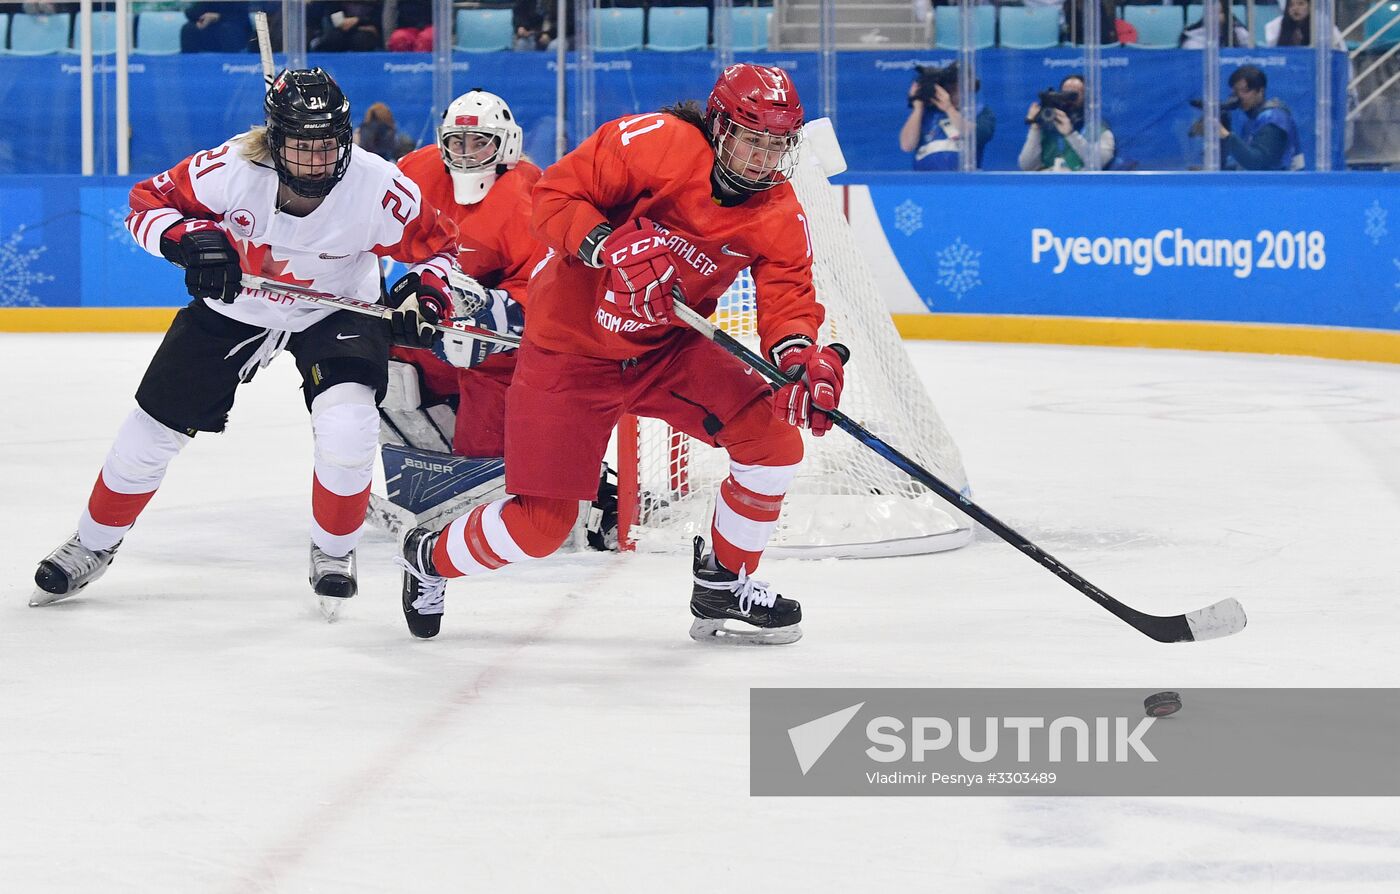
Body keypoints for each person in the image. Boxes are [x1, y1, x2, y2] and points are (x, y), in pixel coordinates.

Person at [394, 64, 846, 645]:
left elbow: (788, 301)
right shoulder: (655, 143)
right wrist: (608, 243)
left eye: (776, 145)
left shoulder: (780, 214)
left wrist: (799, 361)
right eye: (750, 139)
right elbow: (552, 197)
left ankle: (723, 582)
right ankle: (429, 557)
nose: (761, 159)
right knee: (541, 527)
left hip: (665, 350)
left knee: (774, 442)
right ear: (716, 126)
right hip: (569, 352)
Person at [31, 68, 459, 618]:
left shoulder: (377, 188)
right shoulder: (229, 170)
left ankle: (333, 551)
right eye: (302, 147)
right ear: (276, 141)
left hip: (337, 310)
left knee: (347, 426)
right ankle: (92, 542)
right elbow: (145, 204)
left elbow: (445, 251)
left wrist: (426, 294)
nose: (317, 161)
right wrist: (188, 239)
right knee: (151, 430)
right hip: (236, 308)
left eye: (328, 146)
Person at [392, 89, 542, 461]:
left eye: (479, 142)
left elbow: (541, 292)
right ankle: (420, 471)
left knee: (486, 377)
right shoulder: (416, 171)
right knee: (377, 356)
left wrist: (494, 315)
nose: (465, 152)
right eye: (456, 141)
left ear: (506, 146)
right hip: (435, 316)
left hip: (499, 345)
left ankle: (489, 481)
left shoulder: (528, 197)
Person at [900, 62, 995, 170]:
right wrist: (918, 107)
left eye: (960, 87)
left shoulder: (979, 111)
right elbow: (907, 145)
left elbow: (977, 135)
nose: (954, 91)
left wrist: (949, 109)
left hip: (963, 181)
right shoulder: (926, 114)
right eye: (951, 86)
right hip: (926, 182)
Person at [1211, 65, 1304, 170]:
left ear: (1261, 91)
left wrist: (1225, 135)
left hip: (1283, 185)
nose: (1239, 97)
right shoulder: (1253, 120)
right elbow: (1246, 167)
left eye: (1245, 90)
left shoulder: (1274, 119)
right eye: (1235, 92)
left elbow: (1258, 163)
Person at [1018, 73, 1115, 172]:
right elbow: (1027, 166)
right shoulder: (1048, 126)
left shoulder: (1098, 128)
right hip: (1048, 183)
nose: (1068, 99)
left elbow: (1100, 162)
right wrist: (1035, 128)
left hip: (1081, 184)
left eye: (1074, 95)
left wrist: (1071, 134)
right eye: (1065, 93)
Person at [1266, 0, 1346, 48]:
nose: (1295, 8)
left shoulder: (1323, 26)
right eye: (1291, 5)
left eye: (1301, 4)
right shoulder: (1276, 26)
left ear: (1310, 6)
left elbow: (1340, 49)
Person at [181, 2, 253, 53]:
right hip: (211, 30)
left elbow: (241, 17)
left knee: (226, 30)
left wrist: (218, 16)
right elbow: (191, 13)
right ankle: (191, 64)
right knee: (189, 28)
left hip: (235, 29)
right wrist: (201, 19)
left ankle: (230, 65)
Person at [1180, 4, 1253, 48]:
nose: (1215, 16)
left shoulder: (1240, 33)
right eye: (1211, 12)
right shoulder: (1193, 39)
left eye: (1219, 13)